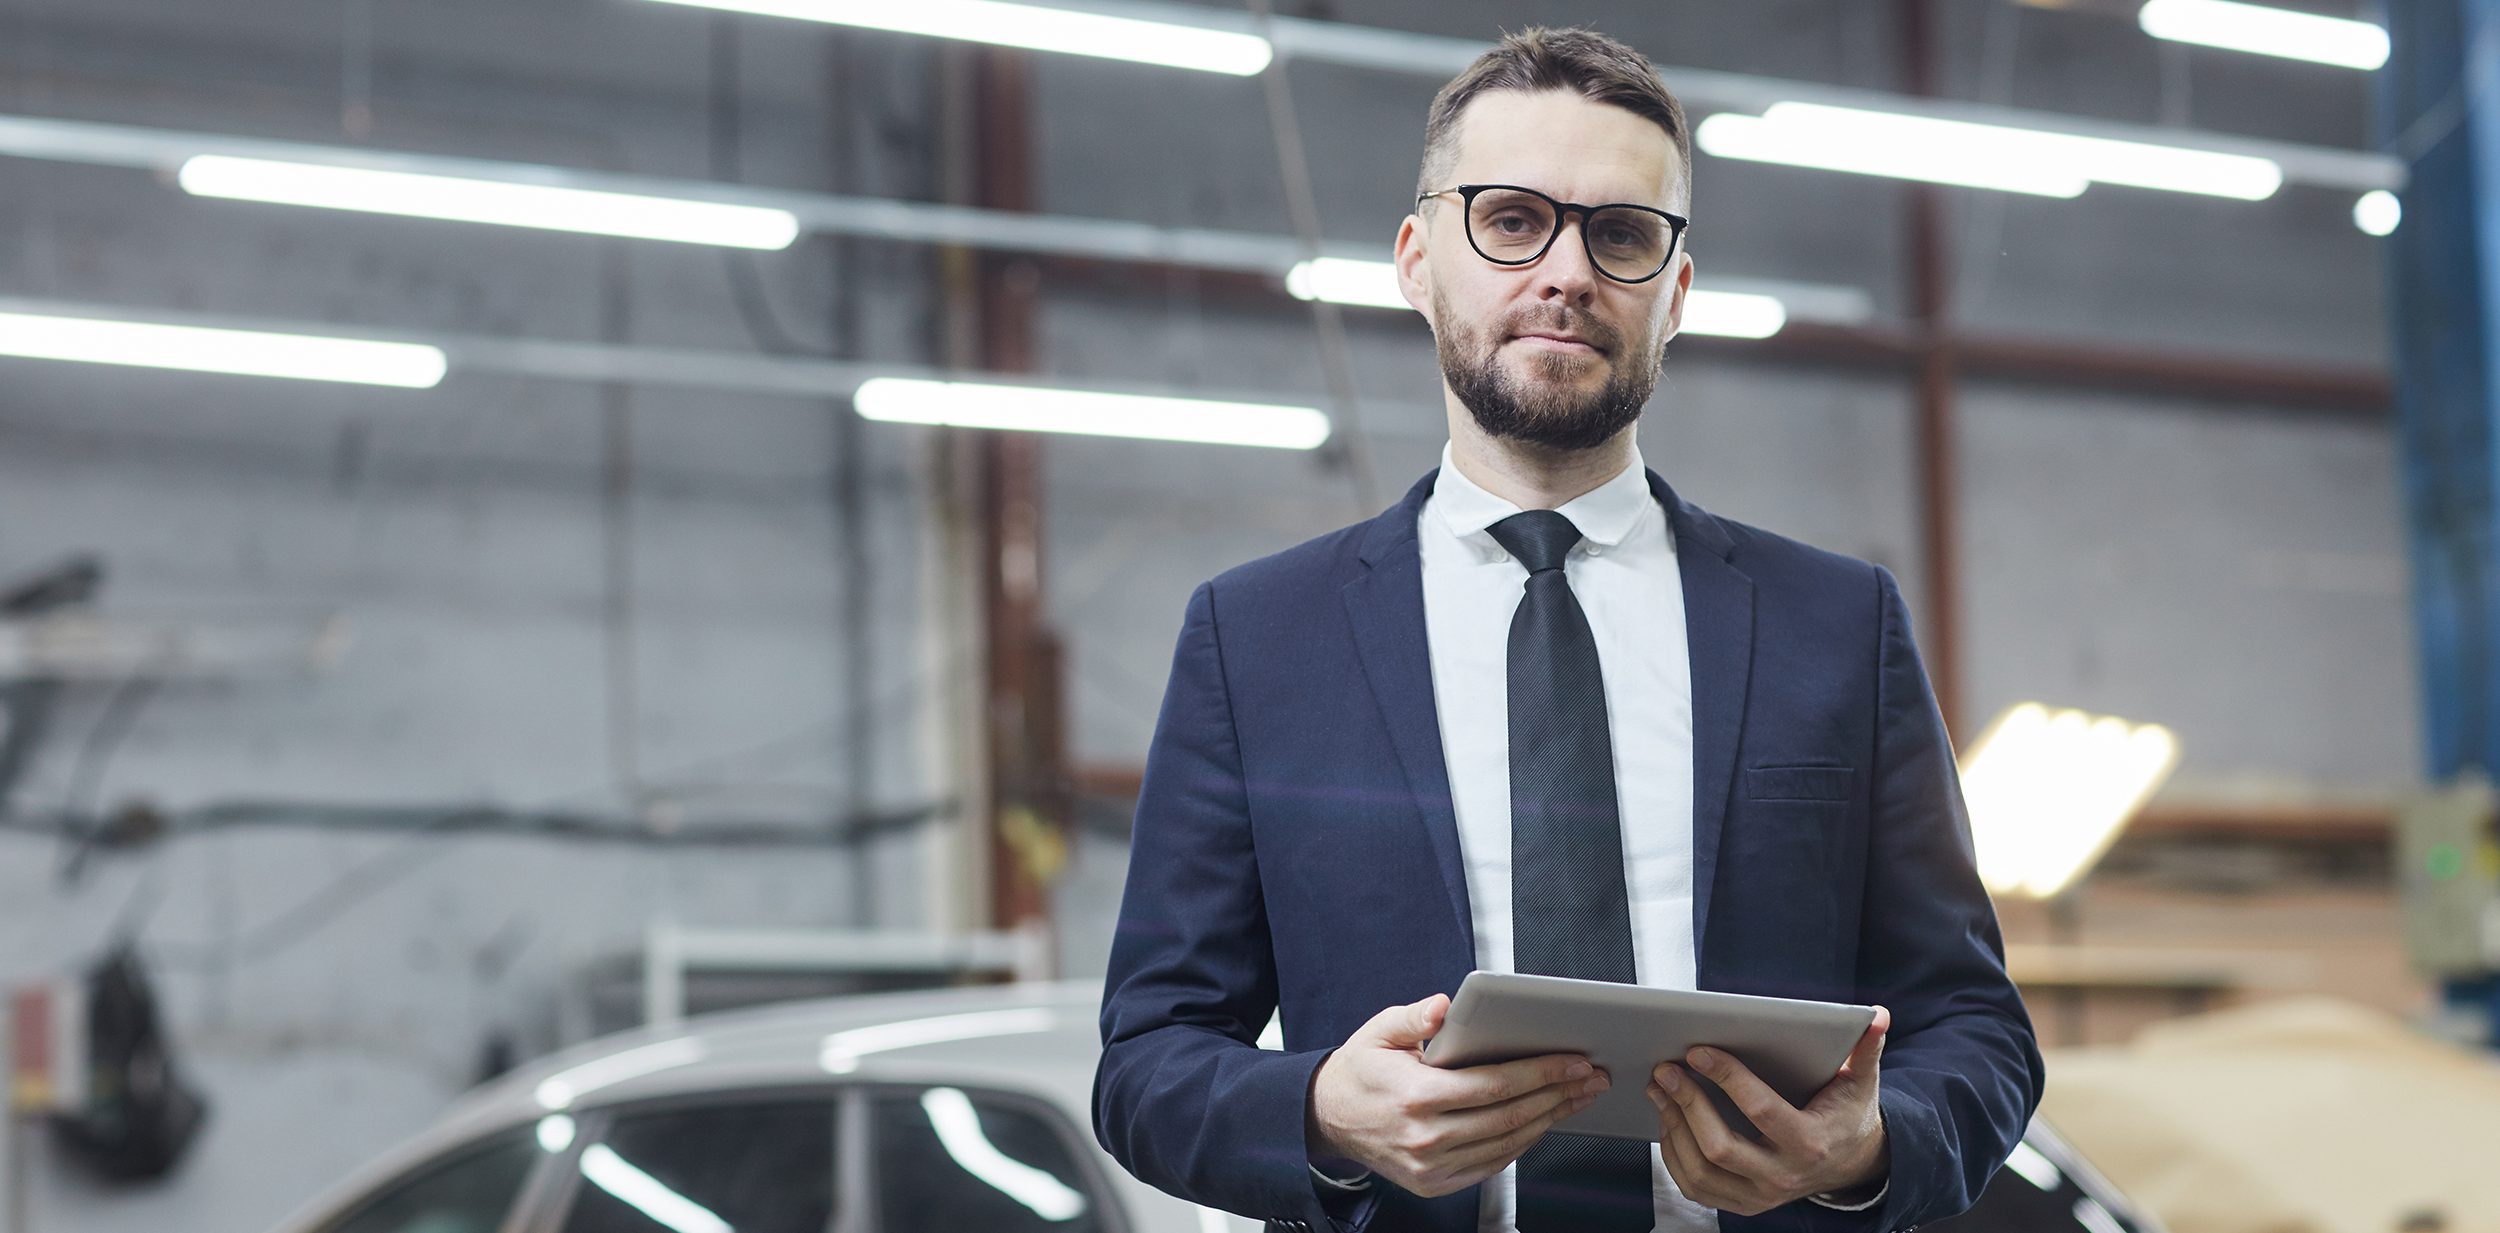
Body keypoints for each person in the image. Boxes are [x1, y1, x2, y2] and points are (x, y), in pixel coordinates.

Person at [1092, 25, 2042, 1233]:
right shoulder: (1258, 639)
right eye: (1510, 220)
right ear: (1416, 258)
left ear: (1676, 291)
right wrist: (1322, 1112)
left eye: (1622, 234)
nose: (1566, 271)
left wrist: (1867, 1149)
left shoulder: (1835, 627)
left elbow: (1977, 1030)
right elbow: (1149, 1061)